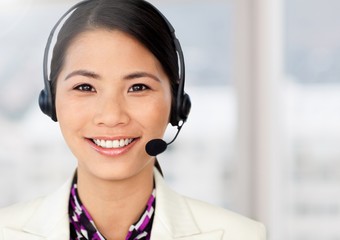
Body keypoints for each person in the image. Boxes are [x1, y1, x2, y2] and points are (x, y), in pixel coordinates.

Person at [0, 0, 266, 239]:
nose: (112, 116)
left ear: (176, 103)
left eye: (138, 87)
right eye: (85, 87)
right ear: (50, 101)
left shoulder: (241, 235)